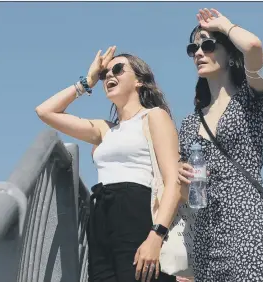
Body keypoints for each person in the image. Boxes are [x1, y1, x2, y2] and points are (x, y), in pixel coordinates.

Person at [35, 46, 180, 282]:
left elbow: (173, 180)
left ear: (140, 81)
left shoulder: (153, 116)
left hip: (136, 211)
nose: (109, 76)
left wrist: (156, 235)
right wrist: (87, 81)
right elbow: (45, 112)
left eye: (119, 69)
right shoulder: (105, 129)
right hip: (101, 215)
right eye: (105, 74)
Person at [177, 8, 263, 282]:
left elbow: (252, 46)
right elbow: (183, 188)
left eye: (208, 45)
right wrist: (181, 173)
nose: (199, 52)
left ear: (228, 53)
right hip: (205, 236)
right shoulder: (190, 123)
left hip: (247, 224)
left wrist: (224, 24)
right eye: (194, 48)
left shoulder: (250, 98)